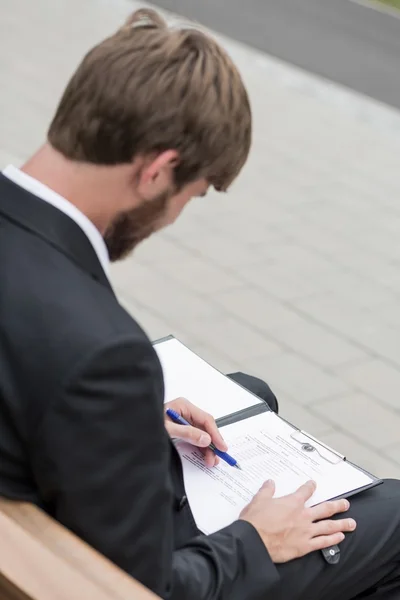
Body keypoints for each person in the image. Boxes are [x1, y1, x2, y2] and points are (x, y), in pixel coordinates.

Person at [0, 8, 399, 600]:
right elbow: (143, 589)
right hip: (71, 570)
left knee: (248, 394)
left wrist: (129, 423)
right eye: (193, 192)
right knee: (392, 512)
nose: (179, 214)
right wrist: (255, 540)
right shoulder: (104, 351)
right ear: (159, 171)